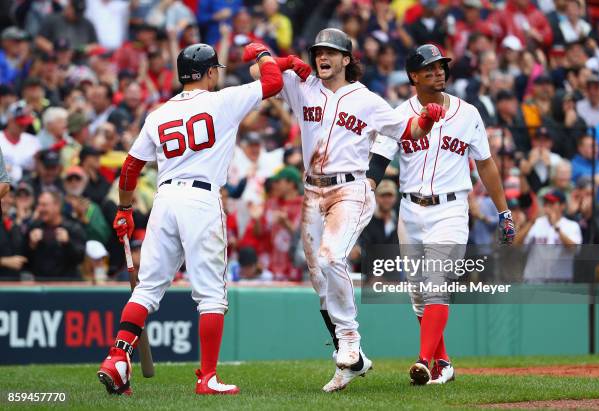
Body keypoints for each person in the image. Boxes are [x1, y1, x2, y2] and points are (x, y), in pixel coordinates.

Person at [249, 28, 431, 392]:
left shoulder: (366, 100)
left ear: (347, 59)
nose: (322, 57)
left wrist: (426, 119)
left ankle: (349, 340)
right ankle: (353, 360)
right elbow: (258, 74)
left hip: (350, 188)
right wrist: (275, 57)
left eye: (331, 51)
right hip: (312, 191)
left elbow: (406, 130)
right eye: (318, 51)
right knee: (319, 280)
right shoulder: (303, 87)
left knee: (332, 259)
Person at [96, 42, 283, 396]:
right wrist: (261, 53)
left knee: (148, 289)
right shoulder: (222, 100)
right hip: (201, 198)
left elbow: (131, 167)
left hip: (164, 200)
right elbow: (272, 83)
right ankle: (207, 377)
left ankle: (117, 359)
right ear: (211, 72)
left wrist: (123, 209)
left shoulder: (158, 113)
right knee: (211, 295)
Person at [369, 44, 514, 385]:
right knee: (419, 295)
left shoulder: (468, 114)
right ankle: (443, 363)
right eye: (429, 68)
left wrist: (504, 212)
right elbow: (378, 160)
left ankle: (422, 361)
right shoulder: (399, 114)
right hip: (410, 208)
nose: (438, 72)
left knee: (436, 284)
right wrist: (364, 193)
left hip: (450, 208)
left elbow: (486, 164)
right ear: (413, 76)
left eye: (441, 67)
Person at [515, 189, 582, 283]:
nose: (548, 206)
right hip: (535, 281)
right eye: (546, 203)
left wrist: (557, 228)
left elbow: (574, 249)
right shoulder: (536, 223)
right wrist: (531, 222)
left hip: (561, 282)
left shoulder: (572, 226)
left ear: (562, 206)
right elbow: (516, 245)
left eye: (552, 203)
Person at [24, 189, 87, 279]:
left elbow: (80, 258)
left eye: (44, 205)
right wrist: (31, 245)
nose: (40, 209)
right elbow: (24, 261)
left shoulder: (73, 228)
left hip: (66, 285)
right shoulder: (34, 227)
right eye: (39, 204)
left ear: (57, 206)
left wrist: (68, 243)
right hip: (41, 285)